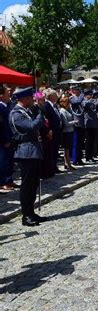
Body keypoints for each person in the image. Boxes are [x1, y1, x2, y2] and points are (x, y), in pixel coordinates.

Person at [9, 87, 46, 226]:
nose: (32, 100)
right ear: (23, 99)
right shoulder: (16, 114)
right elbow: (32, 126)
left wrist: (40, 108)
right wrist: (40, 113)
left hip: (33, 150)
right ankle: (26, 216)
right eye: (30, 98)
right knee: (27, 185)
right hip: (25, 151)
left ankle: (31, 212)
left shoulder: (27, 111)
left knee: (34, 183)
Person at [0, 85, 16, 193]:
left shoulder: (7, 105)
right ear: (1, 95)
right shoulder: (0, 107)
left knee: (10, 161)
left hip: (10, 138)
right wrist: (5, 140)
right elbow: (1, 126)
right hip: (3, 140)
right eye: (7, 92)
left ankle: (9, 180)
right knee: (3, 162)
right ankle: (3, 182)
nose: (9, 94)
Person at [59, 93, 77, 170]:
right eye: (68, 103)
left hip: (70, 131)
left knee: (68, 149)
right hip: (66, 132)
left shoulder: (68, 110)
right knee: (66, 149)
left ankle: (67, 163)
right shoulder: (62, 111)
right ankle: (68, 164)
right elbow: (66, 123)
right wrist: (74, 122)